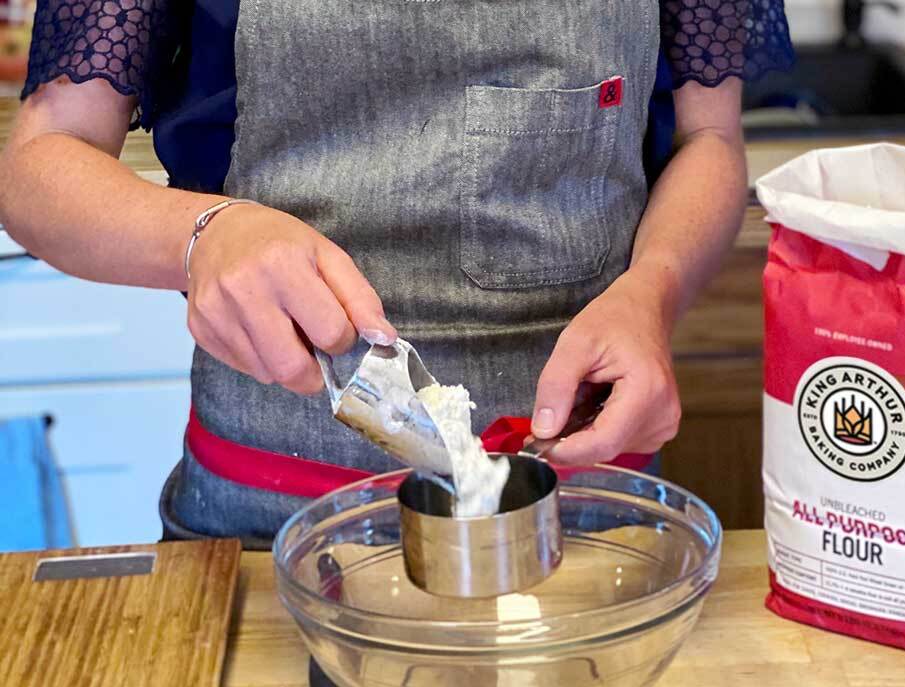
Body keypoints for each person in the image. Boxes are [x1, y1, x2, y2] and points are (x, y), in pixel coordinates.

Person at [0, 0, 793, 548]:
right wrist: (204, 235)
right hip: (265, 527)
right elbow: (40, 164)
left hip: (585, 517)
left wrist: (654, 286)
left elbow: (709, 140)